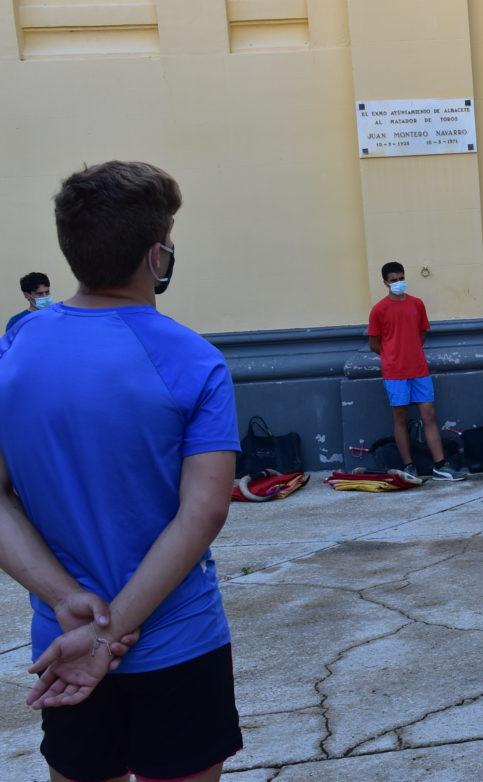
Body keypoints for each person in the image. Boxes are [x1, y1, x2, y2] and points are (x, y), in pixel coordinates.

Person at [0, 161, 245, 782]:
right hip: (175, 639)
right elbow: (204, 511)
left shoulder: (15, 349)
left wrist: (69, 604)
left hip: (62, 638)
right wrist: (111, 636)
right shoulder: (194, 359)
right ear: (157, 254)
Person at [368, 262, 467, 481]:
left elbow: (422, 333)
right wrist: (393, 355)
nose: (398, 283)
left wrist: (410, 351)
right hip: (395, 373)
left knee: (429, 415)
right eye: (393, 280)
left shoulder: (417, 304)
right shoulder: (379, 310)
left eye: (401, 278)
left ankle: (440, 465)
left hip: (419, 369)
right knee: (400, 418)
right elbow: (374, 344)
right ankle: (409, 466)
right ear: (385, 282)